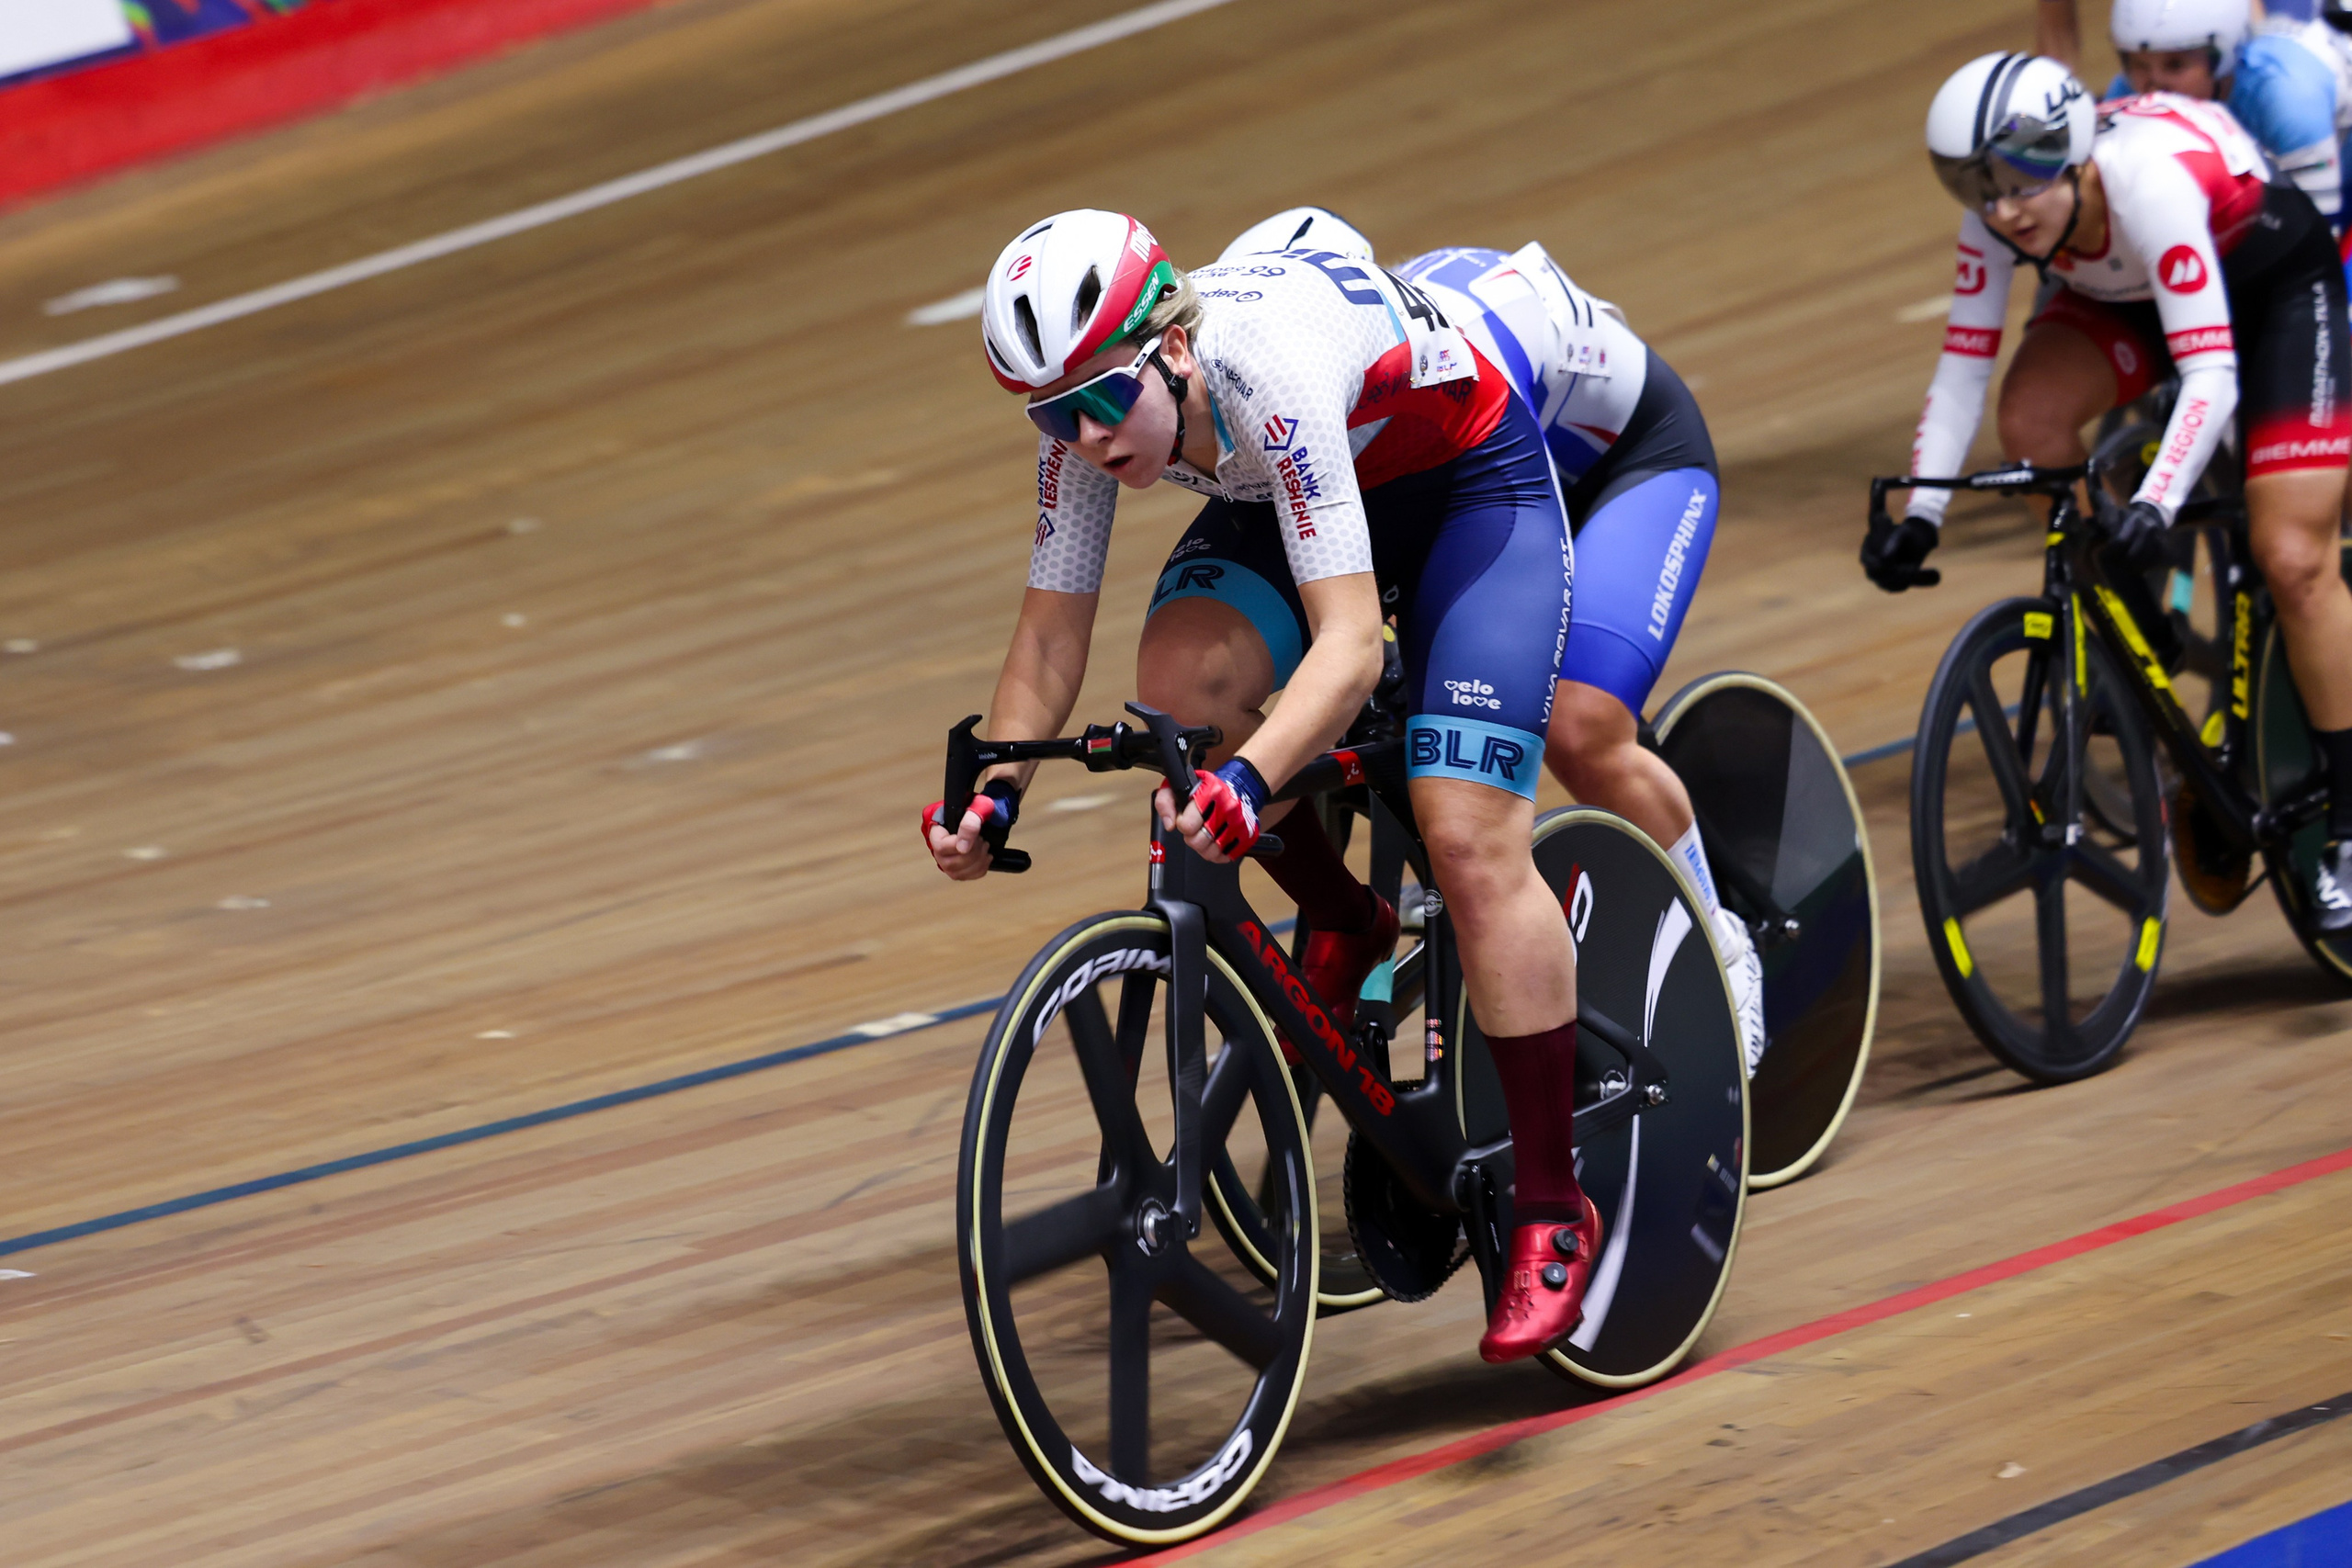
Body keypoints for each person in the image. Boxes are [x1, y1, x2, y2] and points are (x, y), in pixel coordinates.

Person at [925, 208, 1597, 1360]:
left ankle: (1550, 1201)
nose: (1081, 437)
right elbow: (1046, 643)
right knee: (1181, 689)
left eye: (1097, 402)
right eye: (1050, 413)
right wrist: (995, 789)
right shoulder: (1093, 423)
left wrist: (1250, 779)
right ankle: (1344, 915)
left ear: (1173, 347)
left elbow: (1352, 650)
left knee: (1466, 838)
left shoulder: (1265, 365)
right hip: (1296, 488)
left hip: (1467, 487)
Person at [1207, 212, 1764, 1069]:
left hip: (1627, 466)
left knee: (1581, 724)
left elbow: (1490, 525)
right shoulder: (1303, 374)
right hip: (1502, 482)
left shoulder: (1427, 354)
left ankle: (1723, 942)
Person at [1864, 53, 2352, 926]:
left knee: (2292, 556)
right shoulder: (2000, 222)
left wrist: (2157, 500)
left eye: (2019, 182)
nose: (2003, 210)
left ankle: (2351, 821)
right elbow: (1962, 374)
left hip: (2271, 286)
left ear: (2077, 156)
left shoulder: (2147, 185)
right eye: (1977, 187)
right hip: (2129, 293)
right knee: (2033, 422)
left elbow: (2209, 379)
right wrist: (1922, 514)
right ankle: (2139, 630)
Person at [2040, 0, 2352, 232]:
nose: (2153, 84)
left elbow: (2320, 240)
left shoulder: (2285, 96)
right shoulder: (2126, 91)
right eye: (2138, 64)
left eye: (2175, 65)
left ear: (2223, 54)